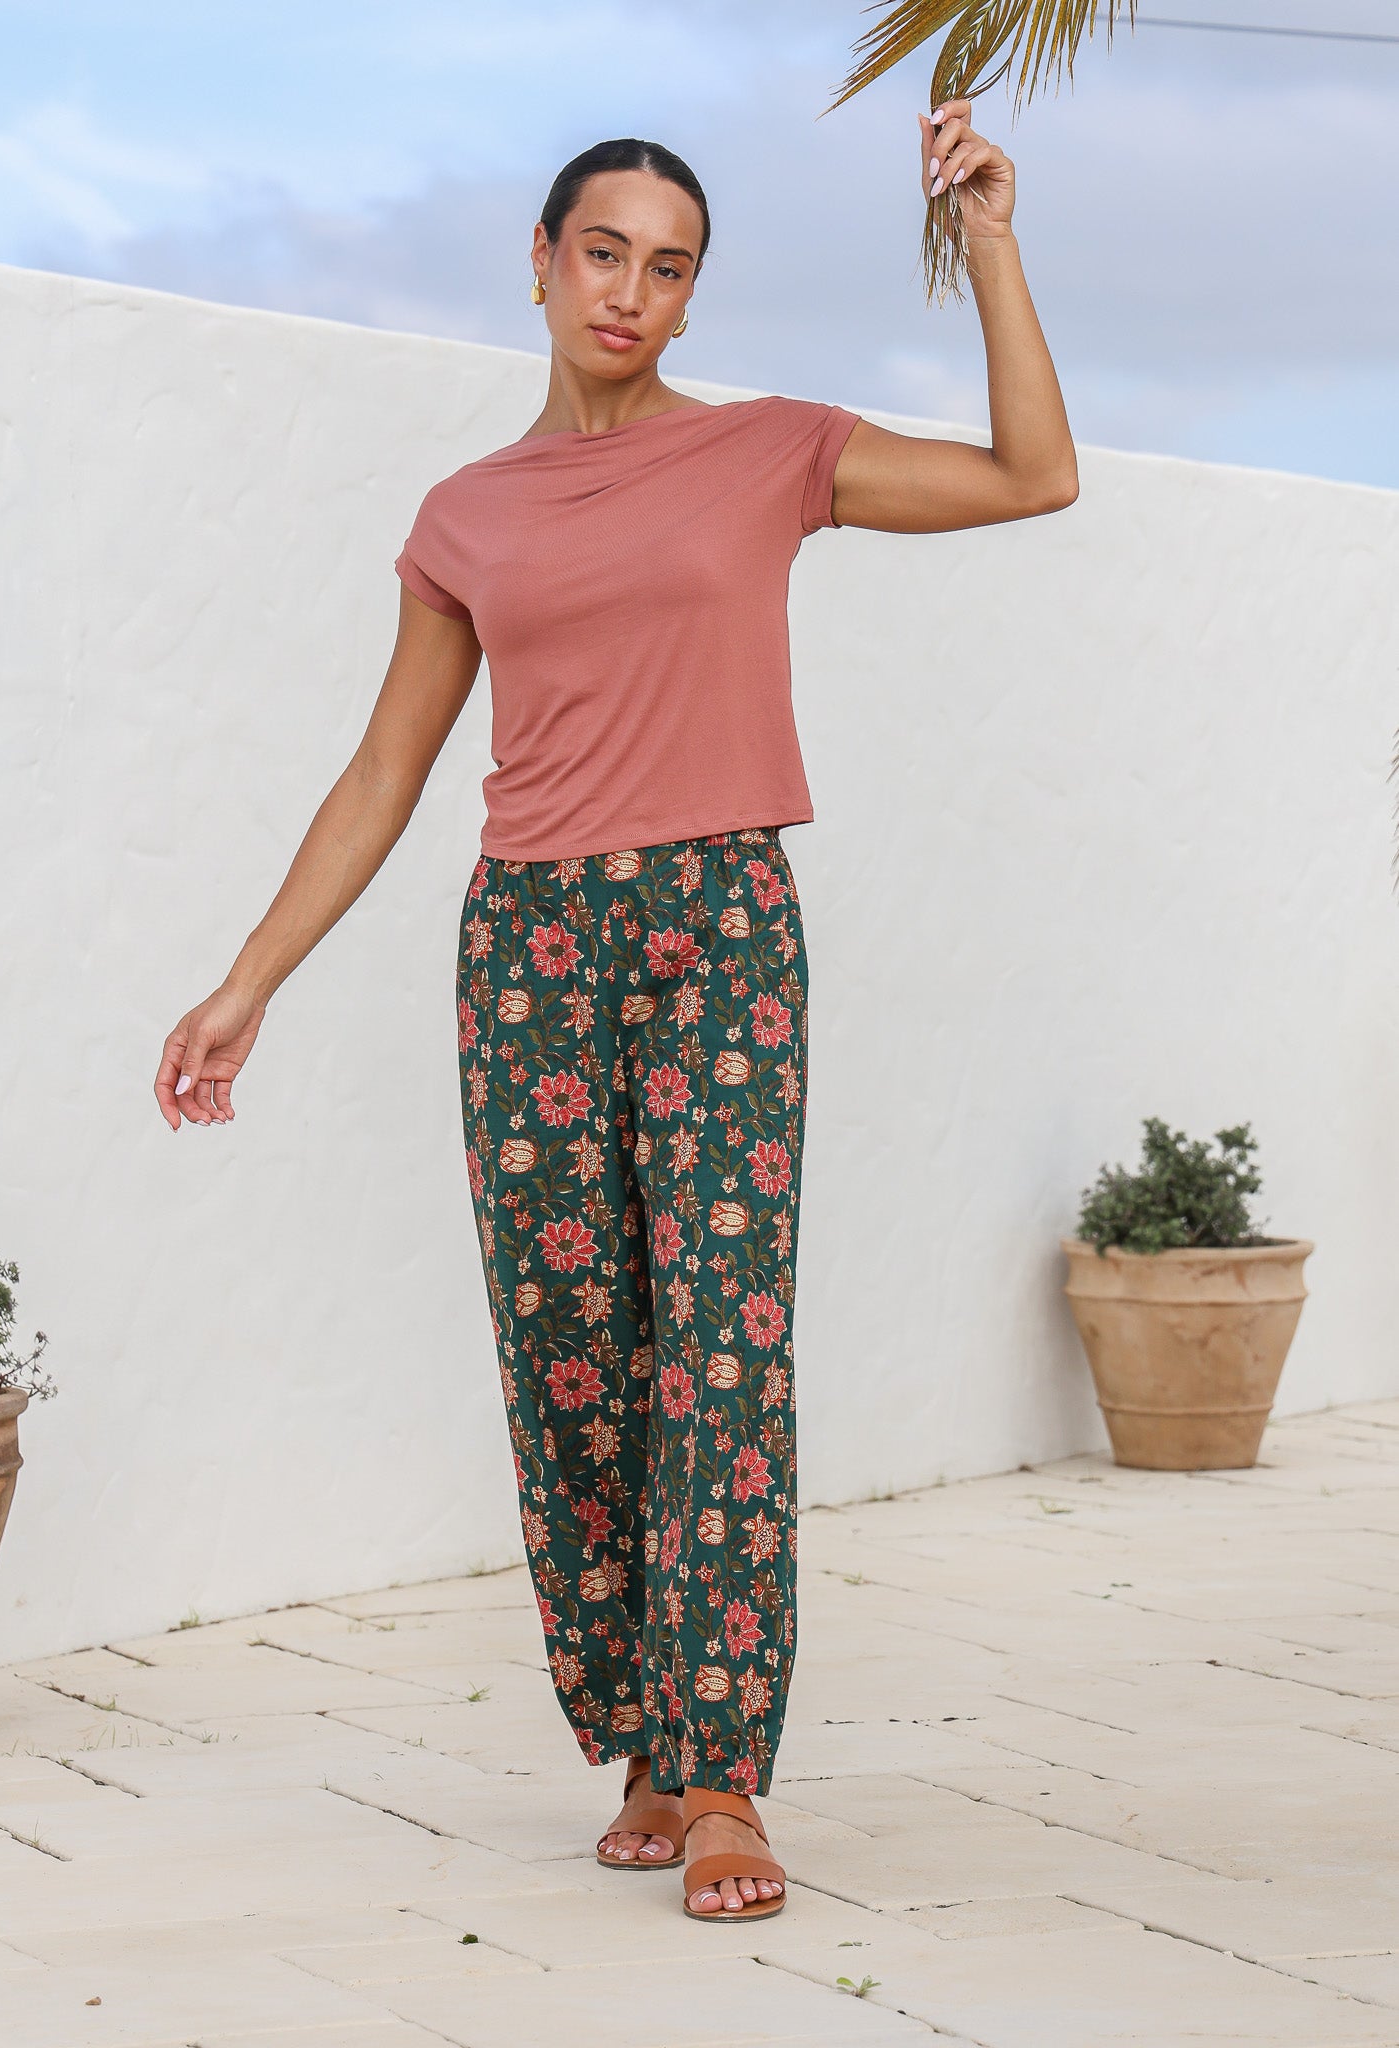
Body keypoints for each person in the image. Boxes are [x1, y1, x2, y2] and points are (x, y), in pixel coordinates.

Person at [154, 109, 1077, 1923]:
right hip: (527, 951)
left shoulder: (767, 451)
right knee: (570, 1349)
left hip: (718, 927)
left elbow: (1032, 476)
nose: (632, 292)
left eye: (669, 267)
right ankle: (643, 1734)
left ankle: (723, 1774)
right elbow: (387, 770)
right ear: (541, 259)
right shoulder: (466, 516)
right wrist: (249, 978)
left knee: (724, 1340)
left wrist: (987, 236)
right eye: (603, 253)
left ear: (690, 292)